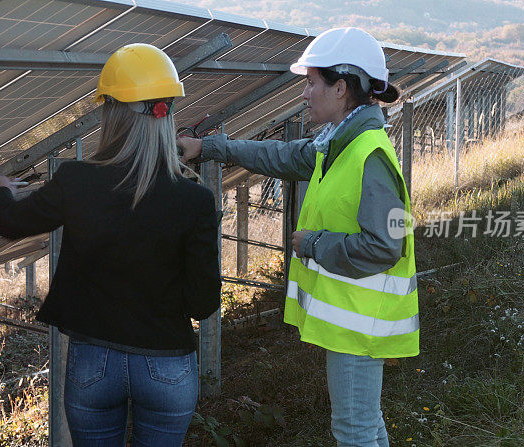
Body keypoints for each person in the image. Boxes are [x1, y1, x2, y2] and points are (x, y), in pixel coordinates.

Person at [178, 27, 418, 447]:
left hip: (361, 323)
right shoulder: (339, 145)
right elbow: (283, 156)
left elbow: (386, 245)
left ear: (340, 87)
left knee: (354, 429)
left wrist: (312, 245)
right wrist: (210, 148)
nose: (304, 94)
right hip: (356, 317)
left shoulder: (369, 155)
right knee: (366, 424)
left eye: (311, 83)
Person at [0, 43, 221, 446]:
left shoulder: (77, 181)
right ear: (167, 114)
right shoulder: (194, 199)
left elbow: (9, 222)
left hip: (93, 364)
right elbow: (203, 304)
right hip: (167, 368)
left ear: (110, 113)